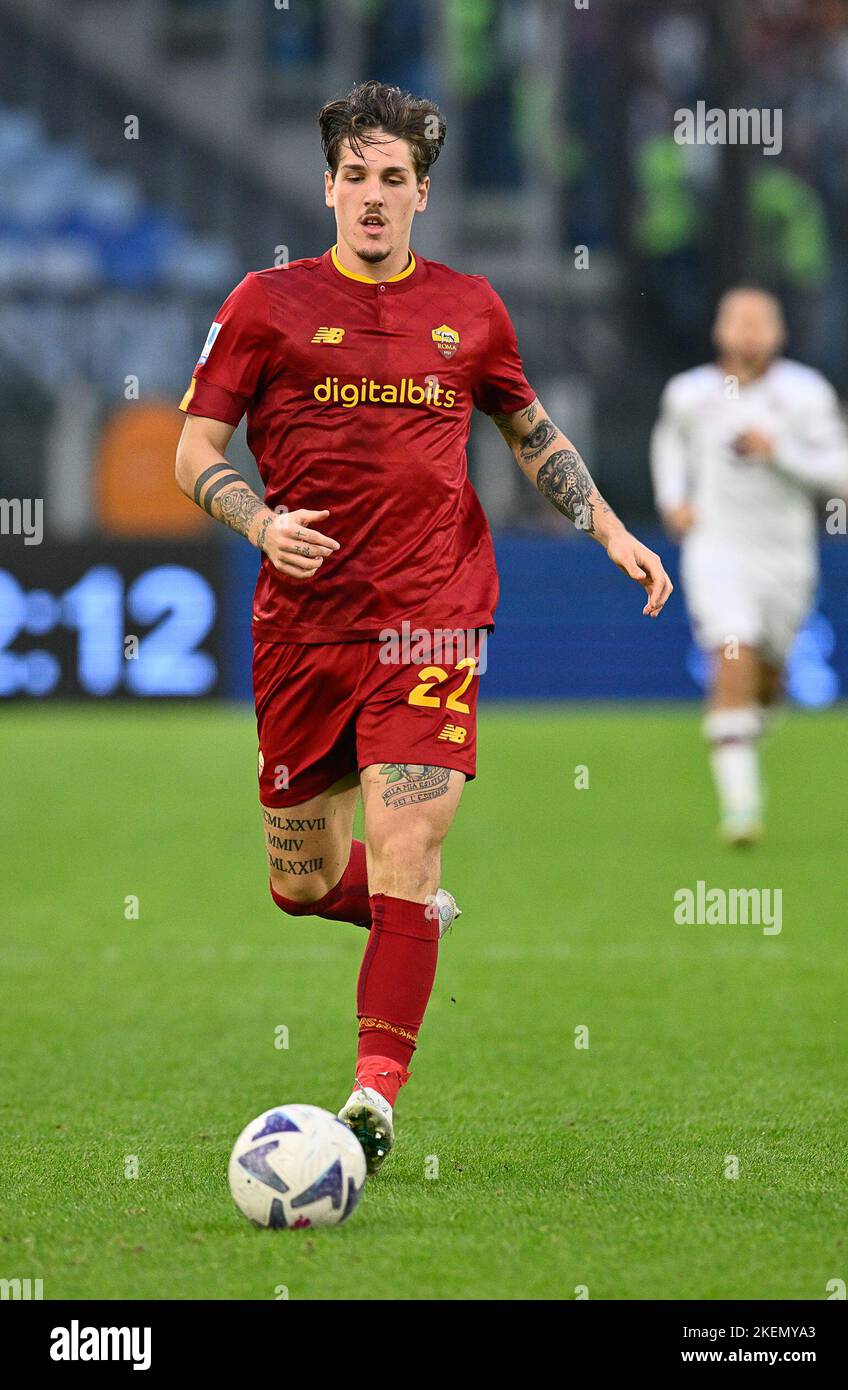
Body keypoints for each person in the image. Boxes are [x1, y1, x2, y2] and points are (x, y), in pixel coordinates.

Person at [176, 80, 671, 1182]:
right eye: (353, 177)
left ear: (421, 195)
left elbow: (530, 431)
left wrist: (607, 528)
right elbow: (192, 450)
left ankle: (370, 1099)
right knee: (301, 881)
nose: (370, 197)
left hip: (430, 619)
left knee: (408, 844)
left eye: (390, 180)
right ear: (327, 188)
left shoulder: (471, 308)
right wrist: (257, 520)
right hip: (303, 629)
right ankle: (409, 924)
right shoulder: (265, 304)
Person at [651, 288, 848, 844]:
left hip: (786, 557)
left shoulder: (806, 393)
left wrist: (779, 452)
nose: (748, 331)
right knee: (730, 649)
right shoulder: (690, 393)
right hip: (717, 549)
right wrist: (674, 499)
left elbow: (843, 473)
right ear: (719, 330)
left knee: (769, 677)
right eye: (738, 320)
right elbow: (668, 444)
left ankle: (741, 731)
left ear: (779, 332)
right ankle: (742, 810)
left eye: (760, 321)